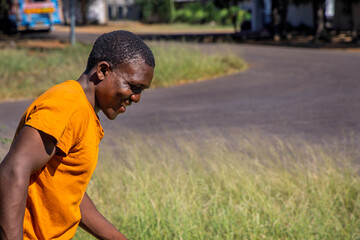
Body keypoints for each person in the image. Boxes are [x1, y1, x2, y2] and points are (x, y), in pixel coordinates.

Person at [0, 30, 155, 239]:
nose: (136, 98)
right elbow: (12, 171)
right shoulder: (67, 104)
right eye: (133, 86)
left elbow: (68, 194)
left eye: (141, 91)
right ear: (102, 70)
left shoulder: (83, 112)